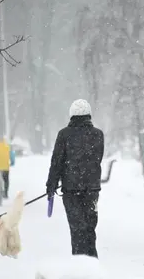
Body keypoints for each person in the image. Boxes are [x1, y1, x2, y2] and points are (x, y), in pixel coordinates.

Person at [46, 99, 104, 258]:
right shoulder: (98, 134)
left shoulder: (64, 134)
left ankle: (79, 267)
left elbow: (56, 162)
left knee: (77, 231)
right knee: (90, 230)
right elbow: (96, 159)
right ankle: (92, 265)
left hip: (71, 191)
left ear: (72, 115)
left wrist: (51, 186)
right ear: (89, 115)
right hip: (92, 190)